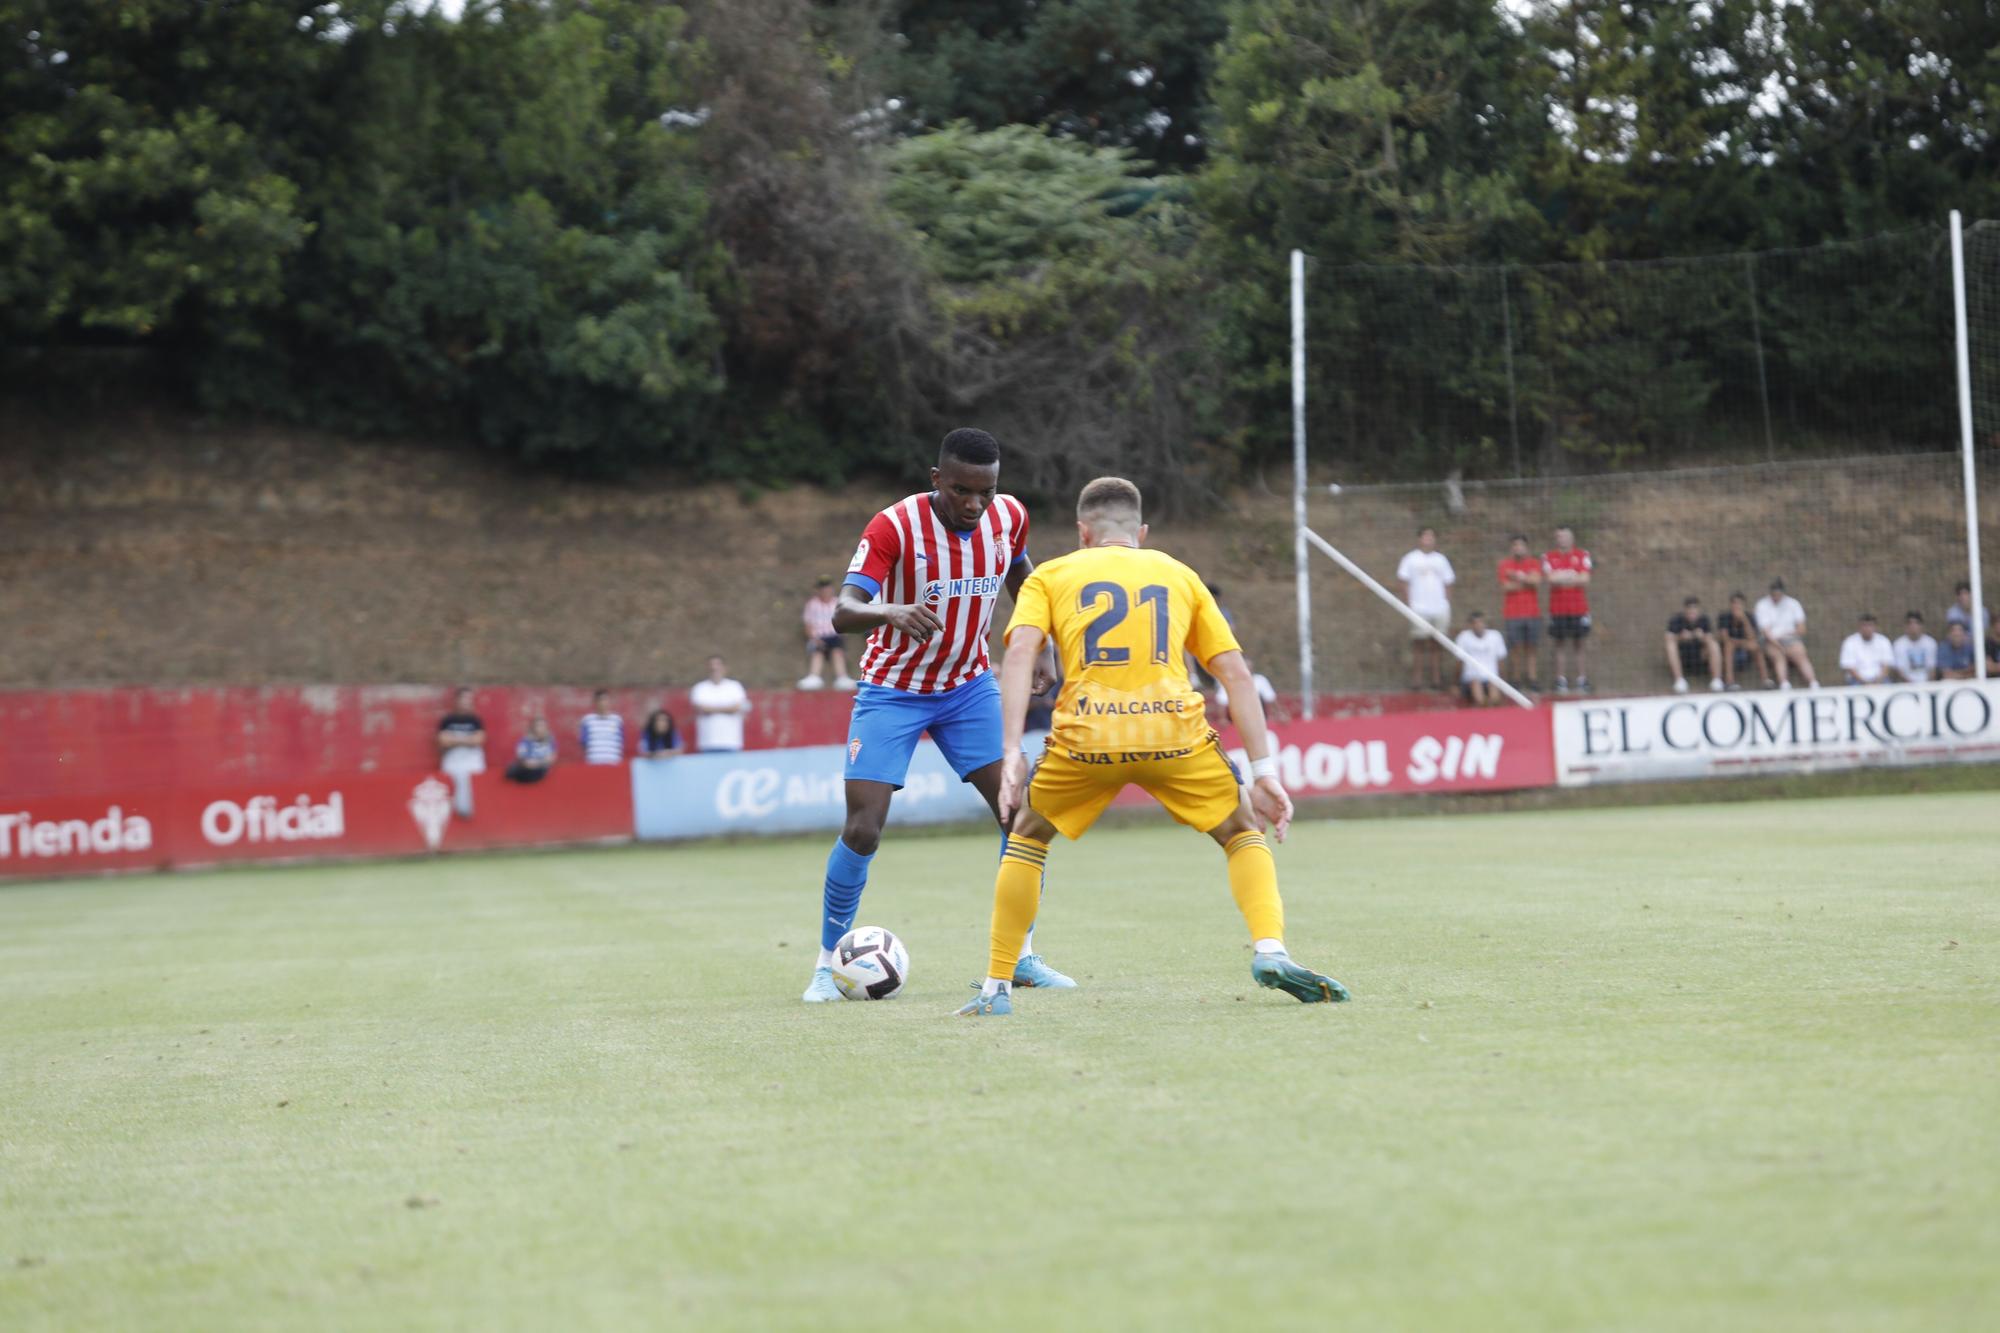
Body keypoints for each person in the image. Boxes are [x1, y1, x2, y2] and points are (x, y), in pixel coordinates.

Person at [958, 475, 1346, 1017]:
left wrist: (1013, 750)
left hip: (1086, 737)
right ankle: (1270, 949)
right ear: (1140, 531)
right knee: (1241, 832)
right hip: (1173, 734)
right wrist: (1264, 771)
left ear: (1082, 531)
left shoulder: (1051, 574)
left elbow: (1021, 654)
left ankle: (997, 987)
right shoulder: (1178, 574)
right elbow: (1234, 673)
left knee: (1026, 839)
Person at [803, 427, 1073, 1003]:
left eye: (986, 492)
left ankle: (1019, 958)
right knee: (863, 827)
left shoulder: (1008, 517)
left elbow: (1025, 578)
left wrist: (1043, 643)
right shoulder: (893, 526)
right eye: (960, 491)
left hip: (968, 686)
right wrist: (891, 611)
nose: (975, 505)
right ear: (936, 480)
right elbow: (844, 612)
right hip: (892, 689)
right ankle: (827, 965)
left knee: (1021, 813)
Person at [1396, 527, 1455, 690]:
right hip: (1419, 608)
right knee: (1418, 644)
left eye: (1431, 536)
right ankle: (1417, 680)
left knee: (1438, 643)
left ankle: (1436, 679)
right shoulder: (1410, 559)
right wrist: (1409, 604)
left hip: (1439, 608)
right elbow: (1403, 580)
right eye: (1425, 536)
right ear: (1419, 538)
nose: (1428, 539)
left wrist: (1446, 603)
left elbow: (1448, 582)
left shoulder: (1441, 560)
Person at [1542, 525, 1593, 694]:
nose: (1562, 539)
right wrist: (1571, 575)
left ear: (1572, 538)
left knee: (1579, 643)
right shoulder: (1548, 557)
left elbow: (1585, 579)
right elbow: (1550, 579)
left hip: (1578, 608)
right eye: (1559, 537)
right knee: (1559, 644)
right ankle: (1561, 680)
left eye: (1565, 536)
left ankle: (1582, 679)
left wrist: (1562, 576)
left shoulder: (1582, 555)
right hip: (1558, 609)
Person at [1495, 534, 1542, 690]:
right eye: (1515, 545)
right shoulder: (1505, 565)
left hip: (1532, 613)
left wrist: (1516, 576)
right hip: (1512, 613)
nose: (1518, 548)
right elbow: (1505, 587)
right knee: (1515, 648)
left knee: (1531, 647)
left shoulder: (1534, 563)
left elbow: (1536, 582)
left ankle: (1533, 678)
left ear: (1526, 547)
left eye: (1521, 545)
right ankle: (1516, 679)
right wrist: (1526, 581)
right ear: (1511, 548)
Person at [1754, 578, 1818, 689]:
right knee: (1778, 655)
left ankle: (1813, 683)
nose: (1776, 598)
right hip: (1770, 640)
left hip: (1790, 638)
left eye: (1778, 595)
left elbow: (1802, 629)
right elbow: (1766, 632)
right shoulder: (1762, 605)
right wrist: (1779, 645)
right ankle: (1784, 683)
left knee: (1800, 653)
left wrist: (1789, 635)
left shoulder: (1793, 604)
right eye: (1774, 595)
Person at [435, 687, 486, 819]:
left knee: (470, 776)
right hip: (453, 756)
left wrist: (455, 739)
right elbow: (443, 741)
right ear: (457, 700)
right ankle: (462, 809)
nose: (466, 702)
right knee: (457, 775)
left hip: (472, 756)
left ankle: (465, 808)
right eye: (464, 698)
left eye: (469, 699)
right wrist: (467, 739)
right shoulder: (447, 720)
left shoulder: (475, 720)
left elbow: (478, 740)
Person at [798, 577, 855, 691]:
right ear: (818, 591)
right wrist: (813, 638)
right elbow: (808, 624)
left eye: (828, 589)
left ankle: (842, 677)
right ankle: (814, 676)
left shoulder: (838, 602)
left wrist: (843, 633)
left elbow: (844, 621)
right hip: (818, 637)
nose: (826, 592)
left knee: (837, 651)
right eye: (823, 589)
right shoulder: (812, 604)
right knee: (817, 652)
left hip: (834, 636)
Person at [690, 657, 752, 754]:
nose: (714, 668)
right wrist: (727, 708)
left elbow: (737, 707)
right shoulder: (700, 688)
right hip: (707, 742)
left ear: (725, 668)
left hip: (732, 742)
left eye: (718, 665)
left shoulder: (735, 686)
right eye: (711, 666)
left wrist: (712, 709)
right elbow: (701, 708)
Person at [1664, 596, 1723, 694]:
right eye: (1689, 609)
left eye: (1694, 608)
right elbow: (1667, 638)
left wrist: (1702, 637)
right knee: (1670, 645)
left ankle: (1716, 680)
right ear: (1685, 610)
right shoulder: (1676, 620)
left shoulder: (1704, 620)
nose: (1692, 611)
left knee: (1714, 645)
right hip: (1683, 658)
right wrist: (1680, 637)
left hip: (1700, 657)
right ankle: (1679, 680)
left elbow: (1711, 638)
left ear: (1698, 610)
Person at [1454, 611, 1508, 707]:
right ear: (1470, 625)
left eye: (1481, 622)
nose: (1479, 625)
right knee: (1479, 696)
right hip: (1471, 678)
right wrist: (1456, 684)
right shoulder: (1463, 637)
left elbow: (1501, 661)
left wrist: (1502, 681)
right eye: (1475, 623)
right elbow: (1459, 662)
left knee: (1495, 699)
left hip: (1492, 677)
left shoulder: (1495, 636)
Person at [1715, 592, 1759, 691]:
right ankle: (1729, 681)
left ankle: (1766, 680)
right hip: (1728, 651)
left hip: (1744, 650)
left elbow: (1752, 637)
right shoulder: (1724, 616)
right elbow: (1724, 638)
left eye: (1739, 603)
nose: (1737, 606)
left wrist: (1744, 620)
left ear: (1744, 605)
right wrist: (1739, 642)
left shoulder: (1749, 617)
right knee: (1729, 645)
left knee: (1756, 646)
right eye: (1734, 603)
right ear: (1731, 605)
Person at [1838, 613, 1897, 686]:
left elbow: (1887, 665)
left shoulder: (1883, 641)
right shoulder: (1850, 642)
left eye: (1870, 625)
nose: (1867, 628)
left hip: (1881, 680)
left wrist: (1877, 681)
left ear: (1875, 627)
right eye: (1864, 625)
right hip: (1856, 681)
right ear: (1859, 627)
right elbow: (1849, 667)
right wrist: (1865, 683)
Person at [505, 713, 557, 783]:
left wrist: (538, 763)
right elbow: (521, 756)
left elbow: (552, 758)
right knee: (511, 771)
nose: (542, 728)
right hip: (526, 765)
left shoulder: (550, 739)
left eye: (543, 726)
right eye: (539, 726)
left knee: (533, 774)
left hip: (541, 767)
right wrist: (527, 762)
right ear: (533, 727)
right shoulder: (526, 740)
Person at [578, 690, 626, 764]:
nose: (603, 703)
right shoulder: (587, 720)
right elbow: (584, 743)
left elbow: (621, 742)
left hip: (613, 763)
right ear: (595, 702)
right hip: (593, 763)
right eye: (600, 700)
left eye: (605, 700)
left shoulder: (617, 720)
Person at [1893, 612, 1938, 683]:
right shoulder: (1899, 644)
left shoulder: (1930, 643)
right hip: (1906, 685)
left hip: (1927, 684)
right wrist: (1912, 685)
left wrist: (1927, 684)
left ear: (1921, 626)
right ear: (1906, 626)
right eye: (1910, 623)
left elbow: (1932, 669)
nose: (1913, 626)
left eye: (1916, 623)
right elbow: (1899, 671)